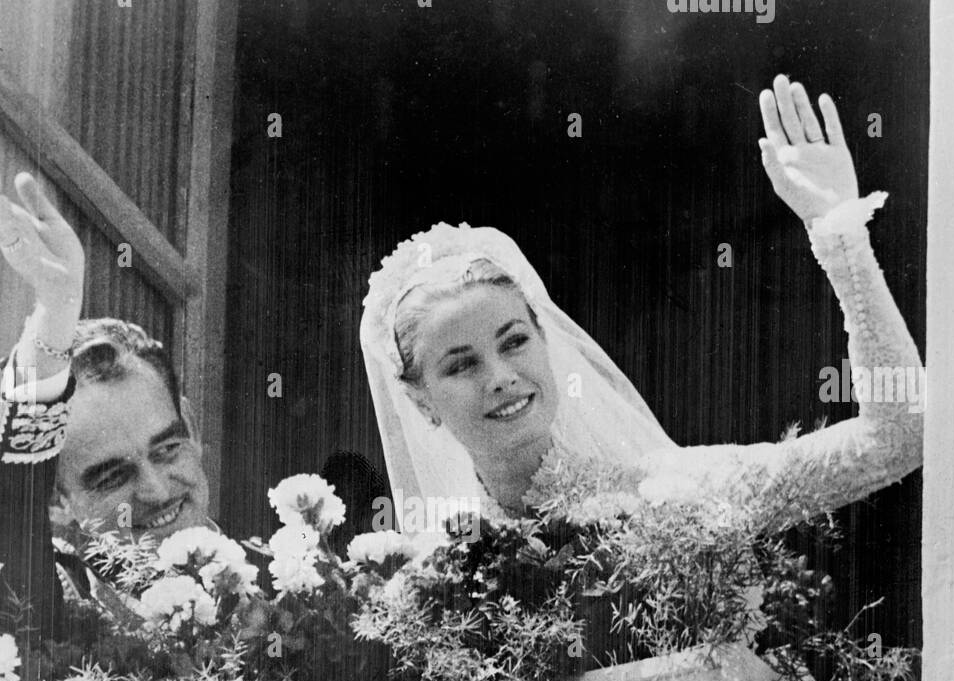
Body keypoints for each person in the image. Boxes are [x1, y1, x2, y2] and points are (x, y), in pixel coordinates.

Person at [360, 76, 924, 532]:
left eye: (514, 341)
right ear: (420, 400)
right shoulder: (434, 578)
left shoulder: (665, 494)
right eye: (461, 365)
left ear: (544, 339)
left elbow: (897, 438)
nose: (501, 377)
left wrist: (839, 234)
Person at [0, 165, 219, 641]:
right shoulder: (53, 622)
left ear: (191, 428)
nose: (155, 490)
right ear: (56, 500)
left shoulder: (300, 586)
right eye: (113, 477)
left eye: (167, 449)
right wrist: (55, 310)